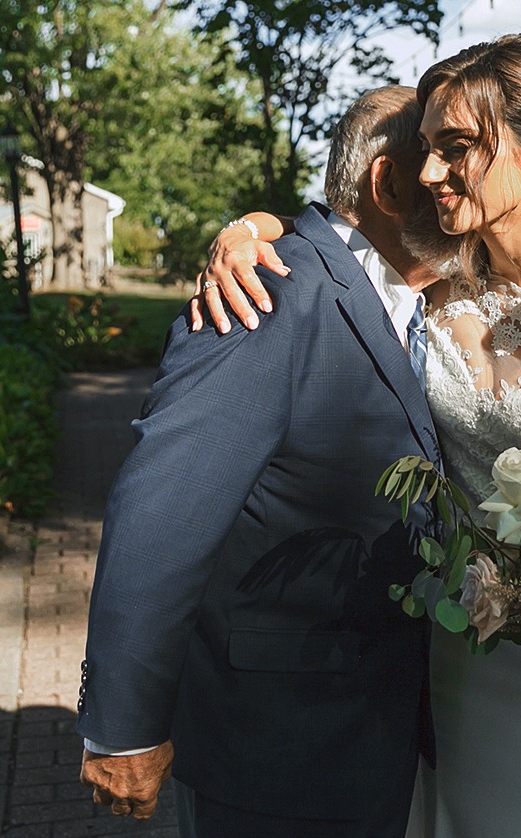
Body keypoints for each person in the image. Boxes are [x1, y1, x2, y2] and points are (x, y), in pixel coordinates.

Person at [193, 31, 521, 838]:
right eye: (427, 149)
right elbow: (333, 247)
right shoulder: (435, 275)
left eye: (456, 147)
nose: (430, 172)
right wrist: (246, 230)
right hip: (423, 649)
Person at [76, 86, 452, 836]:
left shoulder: (434, 291)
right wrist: (124, 725)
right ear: (386, 183)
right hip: (281, 743)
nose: (458, 186)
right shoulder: (265, 292)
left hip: (387, 723)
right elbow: (163, 509)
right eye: (442, 161)